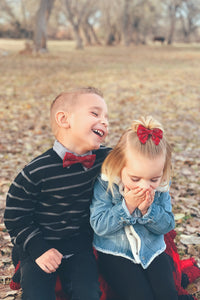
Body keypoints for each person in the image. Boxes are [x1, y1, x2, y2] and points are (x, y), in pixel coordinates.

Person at [4, 87, 110, 300]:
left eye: (107, 117)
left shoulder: (105, 159)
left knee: (88, 292)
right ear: (64, 119)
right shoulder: (36, 171)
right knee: (37, 294)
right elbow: (15, 216)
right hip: (41, 244)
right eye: (95, 113)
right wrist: (39, 249)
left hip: (80, 245)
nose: (105, 121)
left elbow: (135, 158)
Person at [90, 116, 178, 300]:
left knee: (168, 294)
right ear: (119, 166)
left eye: (153, 179)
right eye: (135, 179)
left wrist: (148, 211)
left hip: (152, 250)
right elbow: (99, 225)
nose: (145, 186)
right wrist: (127, 207)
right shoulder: (107, 184)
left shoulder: (160, 187)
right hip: (116, 252)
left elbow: (168, 224)